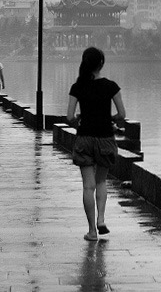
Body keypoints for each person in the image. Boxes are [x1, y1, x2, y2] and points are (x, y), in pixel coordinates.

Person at [66, 46, 126, 241]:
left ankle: (92, 231)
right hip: (105, 139)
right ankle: (101, 218)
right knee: (101, 181)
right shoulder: (111, 86)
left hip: (85, 139)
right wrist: (110, 120)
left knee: (88, 186)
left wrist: (79, 122)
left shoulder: (77, 87)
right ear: (101, 64)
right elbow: (122, 116)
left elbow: (69, 117)